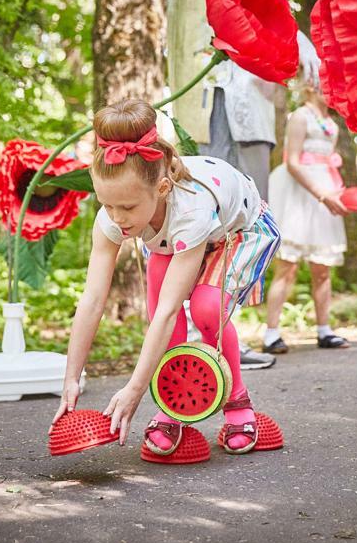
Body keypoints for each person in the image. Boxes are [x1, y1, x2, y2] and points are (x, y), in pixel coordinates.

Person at [50, 99, 280, 454]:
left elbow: (174, 308)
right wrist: (71, 377)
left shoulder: (190, 207)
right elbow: (93, 300)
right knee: (159, 321)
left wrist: (134, 390)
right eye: (107, 204)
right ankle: (174, 409)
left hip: (238, 230)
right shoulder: (112, 219)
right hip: (171, 240)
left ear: (162, 189)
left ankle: (238, 403)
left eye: (127, 207)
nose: (117, 218)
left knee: (204, 308)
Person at [167, 0, 318, 370]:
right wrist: (297, 41)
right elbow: (233, 3)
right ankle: (207, 337)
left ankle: (210, 333)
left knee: (227, 218)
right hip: (225, 100)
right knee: (226, 219)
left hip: (234, 99)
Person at [262, 84, 350, 354]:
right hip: (301, 194)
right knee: (287, 266)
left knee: (322, 267)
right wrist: (321, 193)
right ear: (311, 85)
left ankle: (324, 329)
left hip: (325, 191)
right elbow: (293, 161)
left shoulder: (329, 122)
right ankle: (271, 333)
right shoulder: (300, 116)